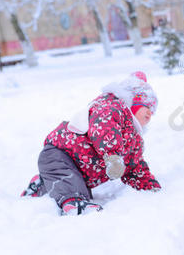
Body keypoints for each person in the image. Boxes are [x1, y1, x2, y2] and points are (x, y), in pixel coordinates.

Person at [21, 71, 161, 215]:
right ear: (132, 100)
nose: (150, 113)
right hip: (60, 154)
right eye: (147, 107)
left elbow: (134, 166)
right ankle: (74, 202)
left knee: (74, 182)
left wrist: (149, 186)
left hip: (79, 170)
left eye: (153, 110)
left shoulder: (134, 140)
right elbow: (104, 128)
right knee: (73, 187)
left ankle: (42, 184)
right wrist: (113, 156)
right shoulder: (112, 108)